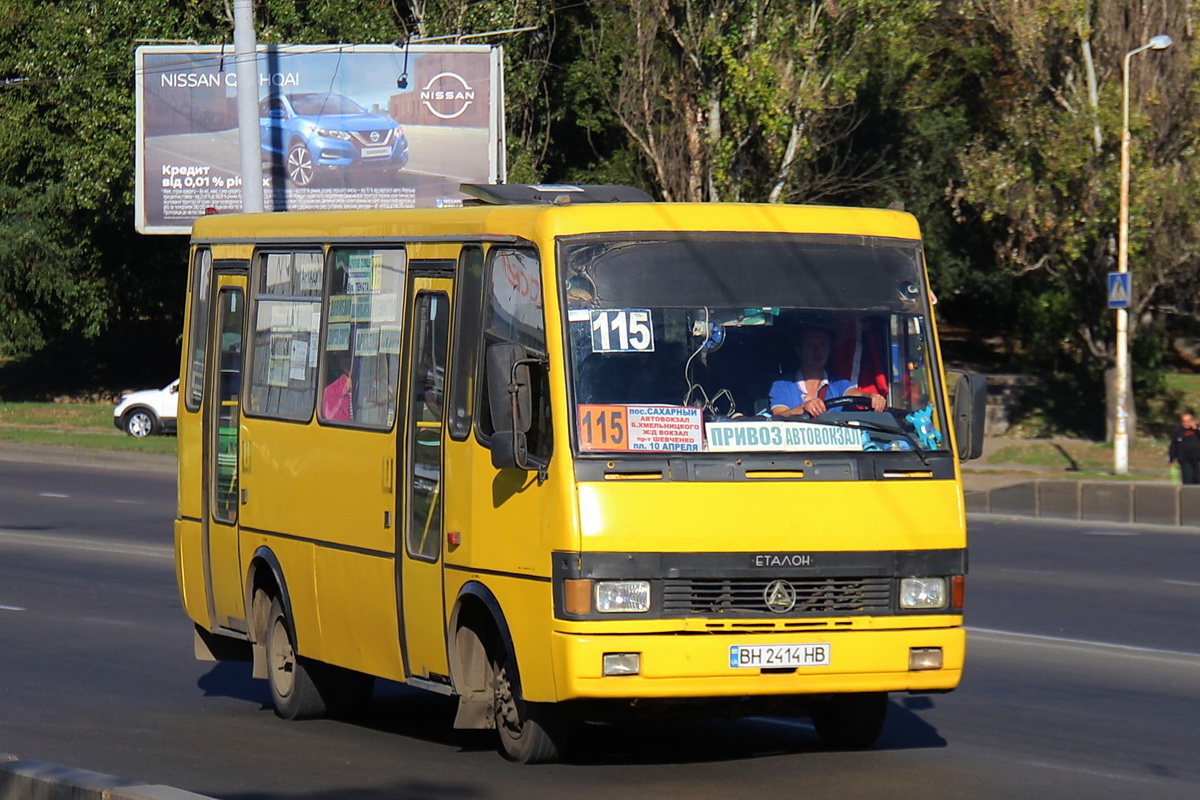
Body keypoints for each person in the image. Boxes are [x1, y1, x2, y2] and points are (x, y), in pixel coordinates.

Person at [770, 325, 886, 418]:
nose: (818, 351)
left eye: (823, 345)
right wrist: (804, 408)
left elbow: (856, 394)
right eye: (811, 345)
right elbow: (779, 414)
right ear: (799, 351)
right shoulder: (782, 384)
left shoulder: (838, 383)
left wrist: (871, 397)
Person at [1168, 410, 1200, 485]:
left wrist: (1196, 429)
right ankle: (1188, 494)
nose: (1186, 423)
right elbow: (1174, 444)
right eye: (1184, 421)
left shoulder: (1197, 429)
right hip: (1184, 458)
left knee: (1197, 478)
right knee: (1188, 478)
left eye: (1188, 421)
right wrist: (1172, 458)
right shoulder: (1178, 430)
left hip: (1197, 458)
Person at [322, 354, 353, 422]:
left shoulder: (370, 389)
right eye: (347, 358)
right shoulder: (331, 390)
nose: (352, 361)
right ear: (341, 364)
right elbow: (331, 418)